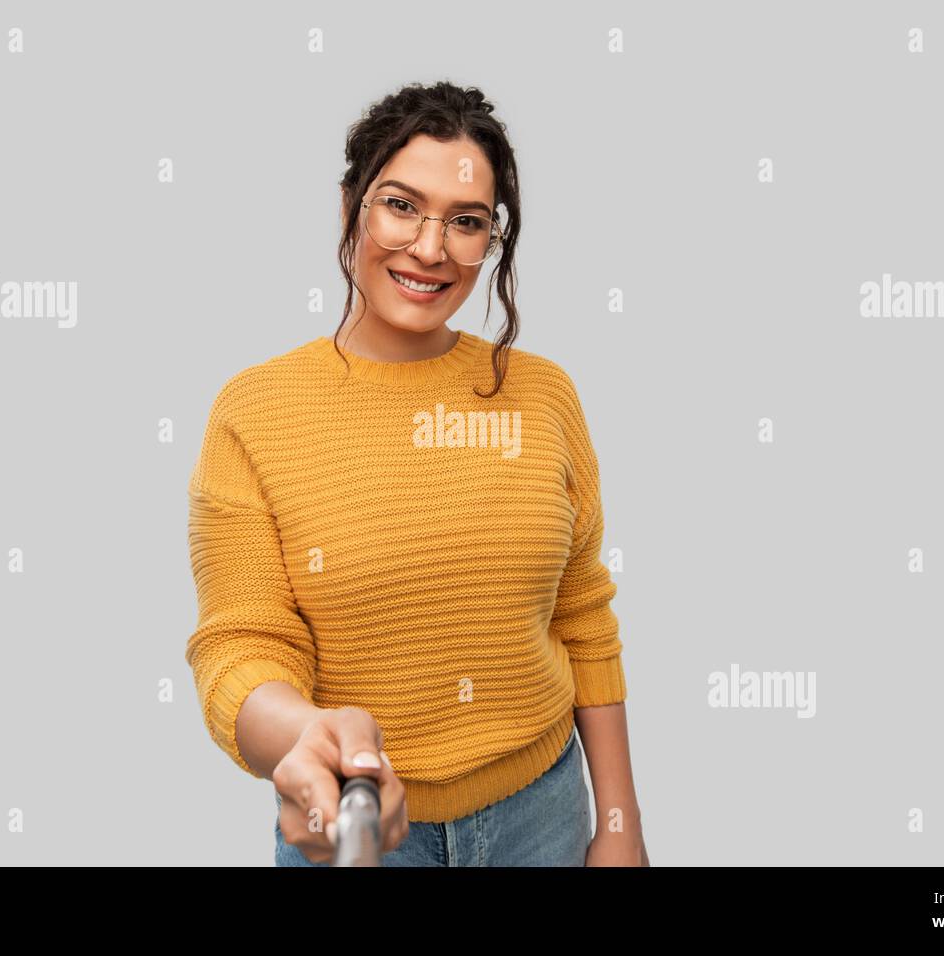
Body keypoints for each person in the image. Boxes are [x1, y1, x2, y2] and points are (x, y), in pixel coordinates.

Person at [184, 81, 648, 866]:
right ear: (349, 208)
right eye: (401, 205)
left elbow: (583, 615)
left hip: (549, 818)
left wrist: (619, 824)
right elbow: (241, 647)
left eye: (466, 222)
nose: (431, 249)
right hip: (359, 828)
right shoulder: (253, 413)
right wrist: (307, 737)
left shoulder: (545, 395)